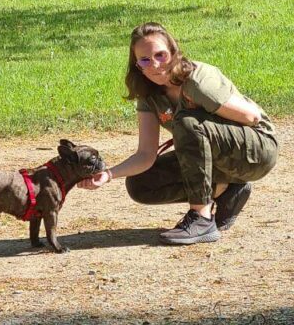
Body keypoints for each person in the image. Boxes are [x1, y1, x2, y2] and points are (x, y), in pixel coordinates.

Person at [79, 22, 278, 245]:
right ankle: (227, 189)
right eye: (145, 60)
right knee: (141, 184)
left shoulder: (198, 81)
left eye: (160, 55)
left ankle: (201, 218)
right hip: (219, 156)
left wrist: (200, 118)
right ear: (138, 66)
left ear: (174, 52)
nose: (154, 65)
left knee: (186, 121)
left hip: (258, 151)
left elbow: (251, 117)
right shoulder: (149, 95)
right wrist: (108, 174)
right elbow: (145, 154)